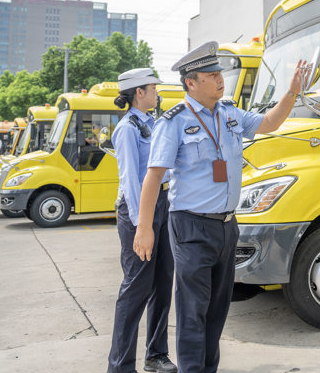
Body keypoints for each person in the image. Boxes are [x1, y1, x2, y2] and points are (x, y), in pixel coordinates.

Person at [133, 41, 307, 373]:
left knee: (216, 310)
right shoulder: (174, 122)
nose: (219, 79)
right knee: (192, 311)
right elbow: (153, 177)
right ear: (191, 82)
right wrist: (144, 228)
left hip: (227, 226)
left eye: (219, 73)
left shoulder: (229, 113)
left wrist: (292, 93)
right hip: (191, 226)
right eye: (211, 75)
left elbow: (269, 123)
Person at [108, 67, 177, 373]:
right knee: (137, 286)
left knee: (162, 284)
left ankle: (156, 355)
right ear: (139, 92)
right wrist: (141, 226)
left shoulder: (153, 122)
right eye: (153, 88)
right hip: (138, 211)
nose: (156, 92)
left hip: (162, 205)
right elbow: (130, 181)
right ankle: (120, 366)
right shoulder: (127, 129)